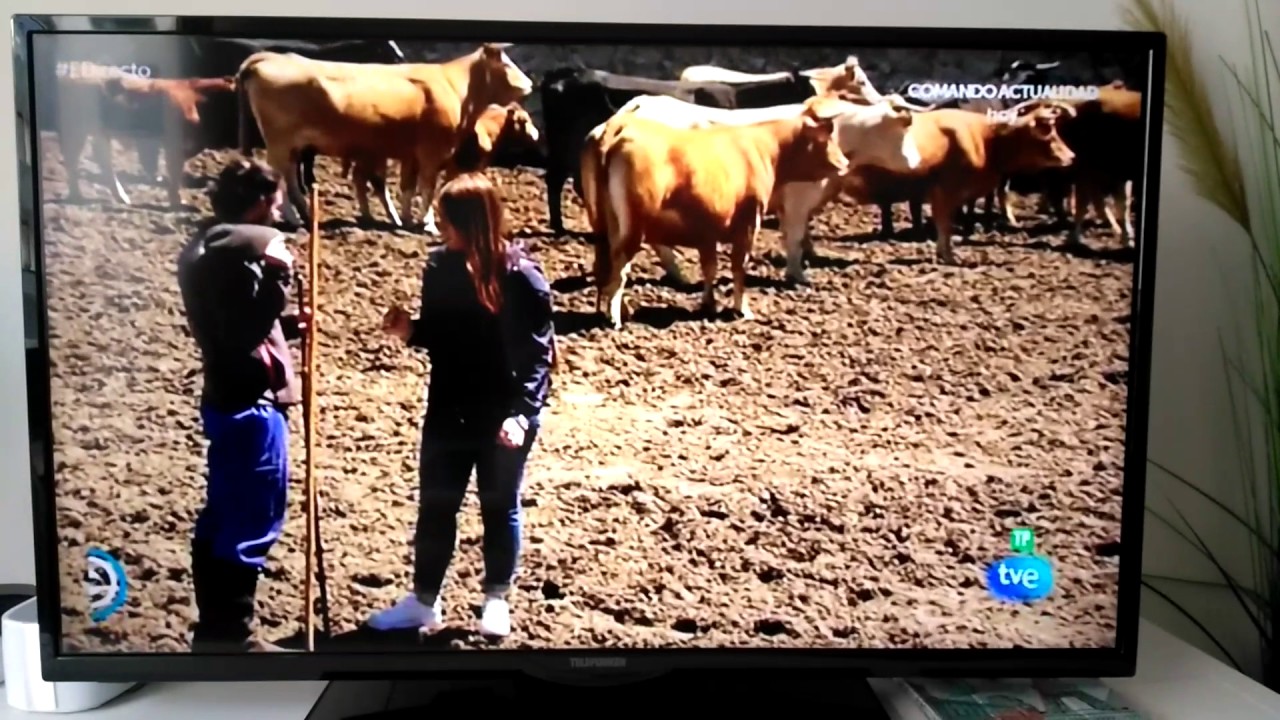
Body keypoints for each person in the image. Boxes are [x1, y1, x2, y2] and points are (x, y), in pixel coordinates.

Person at [369, 172, 555, 639]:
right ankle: (423, 602)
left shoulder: (523, 278)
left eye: (445, 220)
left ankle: (495, 600)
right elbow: (438, 334)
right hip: (449, 405)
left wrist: (521, 414)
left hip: (503, 412)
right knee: (436, 505)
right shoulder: (439, 269)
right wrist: (409, 330)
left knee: (499, 504)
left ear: (472, 222)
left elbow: (539, 356)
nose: (438, 229)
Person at [176, 158, 309, 653]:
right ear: (259, 204)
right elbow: (243, 330)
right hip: (251, 405)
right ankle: (232, 634)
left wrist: (288, 325)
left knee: (224, 514)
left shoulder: (210, 252)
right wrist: (278, 279)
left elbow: (234, 321)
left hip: (228, 397)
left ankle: (216, 629)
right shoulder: (239, 250)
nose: (278, 215)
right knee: (251, 515)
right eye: (274, 205)